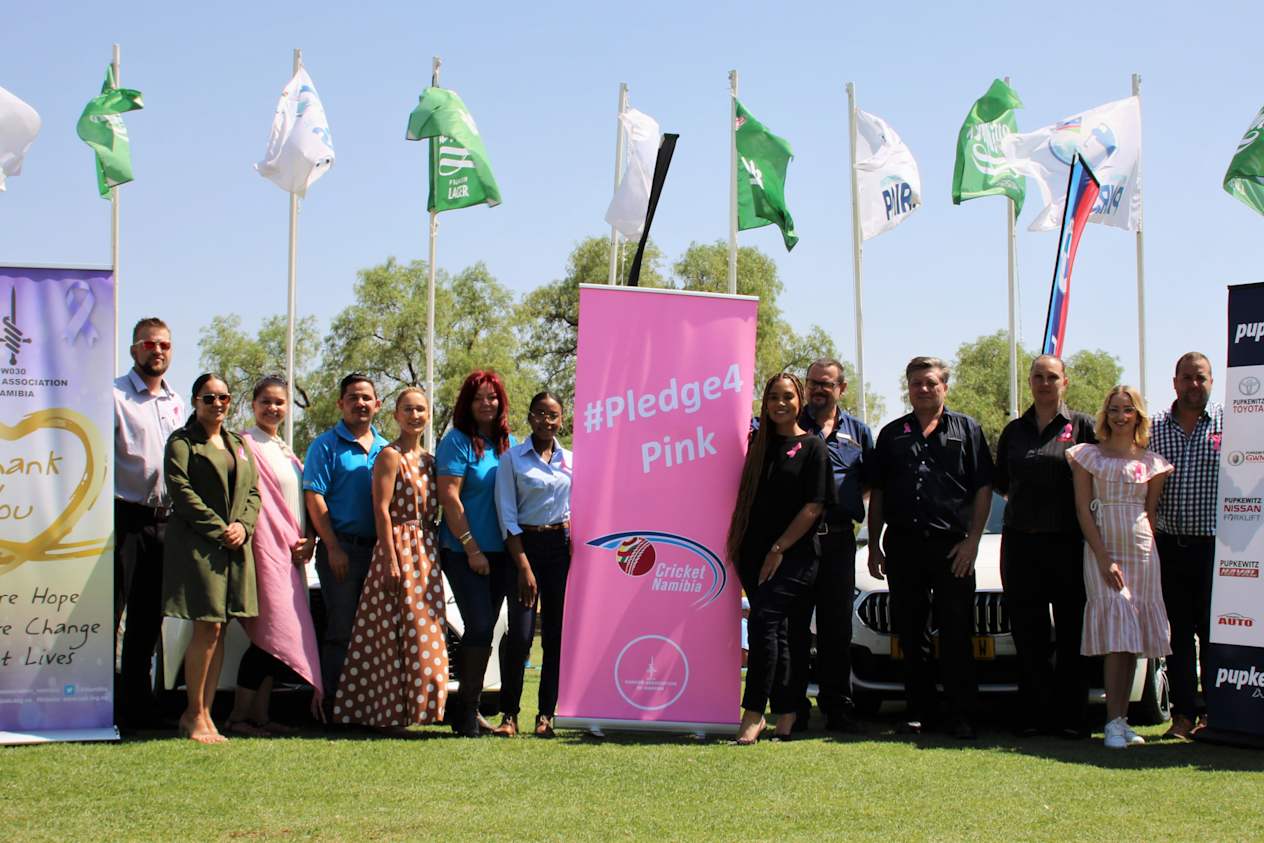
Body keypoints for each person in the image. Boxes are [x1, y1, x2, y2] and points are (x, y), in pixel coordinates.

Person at [867, 357, 993, 739]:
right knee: (911, 633)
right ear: (908, 388)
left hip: (953, 548)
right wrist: (873, 546)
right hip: (903, 546)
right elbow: (879, 494)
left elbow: (983, 488)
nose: (923, 389)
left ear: (944, 387)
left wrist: (973, 542)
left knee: (956, 631)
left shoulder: (968, 430)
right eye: (916, 383)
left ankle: (961, 714)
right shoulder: (892, 434)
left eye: (930, 383)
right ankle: (920, 713)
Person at [994, 355, 1097, 738]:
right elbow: (1002, 483)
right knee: (1028, 633)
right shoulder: (1014, 431)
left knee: (1072, 632)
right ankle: (1034, 715)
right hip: (1021, 544)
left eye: (1052, 377)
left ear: (1064, 382)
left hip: (1069, 544)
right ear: (1030, 381)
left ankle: (1071, 718)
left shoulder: (1083, 426)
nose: (1044, 383)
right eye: (1037, 376)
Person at [333, 388, 448, 732]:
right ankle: (383, 712)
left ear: (429, 415)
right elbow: (381, 509)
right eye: (408, 409)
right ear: (396, 415)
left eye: (421, 410)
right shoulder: (389, 455)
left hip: (426, 549)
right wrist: (390, 560)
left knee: (424, 631)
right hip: (397, 545)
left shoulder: (431, 460)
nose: (415, 416)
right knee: (387, 631)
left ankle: (419, 709)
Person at [729, 373, 834, 744]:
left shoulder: (813, 447)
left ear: (799, 401)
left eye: (787, 396)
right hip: (751, 554)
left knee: (763, 623)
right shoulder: (756, 446)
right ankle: (788, 712)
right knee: (780, 634)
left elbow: (814, 506)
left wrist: (778, 549)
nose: (780, 403)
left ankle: (754, 713)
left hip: (794, 555)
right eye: (773, 397)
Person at [1067, 385, 1173, 750]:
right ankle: (1111, 721)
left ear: (1138, 415)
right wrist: (1103, 556)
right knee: (1116, 631)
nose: (1120, 416)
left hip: (1141, 551)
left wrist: (1144, 549)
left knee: (1132, 638)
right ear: (1105, 414)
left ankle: (1122, 720)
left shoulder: (1152, 462)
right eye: (1114, 409)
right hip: (1102, 549)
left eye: (1127, 409)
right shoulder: (1087, 456)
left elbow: (1150, 512)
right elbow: (1083, 510)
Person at [163, 373, 261, 743]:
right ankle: (192, 714)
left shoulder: (238, 443)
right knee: (205, 627)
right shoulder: (182, 442)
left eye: (224, 397)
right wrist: (220, 529)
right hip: (200, 546)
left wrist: (243, 527)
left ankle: (206, 713)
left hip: (235, 546)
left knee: (220, 628)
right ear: (195, 401)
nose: (217, 404)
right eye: (209, 398)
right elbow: (181, 491)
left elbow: (253, 492)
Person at [226, 376, 322, 737]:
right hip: (264, 554)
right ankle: (238, 716)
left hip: (291, 555)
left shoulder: (284, 449)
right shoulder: (244, 445)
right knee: (269, 635)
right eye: (266, 401)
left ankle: (260, 715)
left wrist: (310, 539)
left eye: (280, 402)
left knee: (272, 639)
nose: (273, 408)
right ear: (253, 404)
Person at [791, 358, 872, 733]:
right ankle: (794, 709)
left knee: (836, 629)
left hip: (839, 541)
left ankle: (837, 707)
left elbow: (868, 484)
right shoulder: (789, 424)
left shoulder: (858, 432)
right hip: (797, 541)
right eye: (813, 383)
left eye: (826, 383)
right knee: (794, 627)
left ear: (842, 388)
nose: (818, 389)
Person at [113, 317, 185, 730]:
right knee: (113, 614)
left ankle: (138, 708)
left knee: (147, 620)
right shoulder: (114, 396)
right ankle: (103, 704)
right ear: (134, 350)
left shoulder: (176, 401)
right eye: (149, 344)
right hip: (123, 518)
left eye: (164, 345)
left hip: (165, 522)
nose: (158, 351)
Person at [436, 371, 517, 737]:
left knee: (486, 631)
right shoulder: (457, 442)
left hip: (501, 553)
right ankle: (465, 713)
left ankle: (472, 711)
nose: (487, 403)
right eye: (478, 398)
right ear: (467, 404)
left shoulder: (507, 443)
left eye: (492, 397)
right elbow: (449, 497)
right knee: (480, 625)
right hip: (464, 551)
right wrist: (471, 547)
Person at [303, 374, 388, 711]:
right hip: (341, 550)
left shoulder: (387, 449)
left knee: (375, 632)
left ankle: (368, 706)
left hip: (379, 552)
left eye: (366, 398)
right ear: (341, 403)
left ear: (377, 404)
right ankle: (333, 706)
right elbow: (314, 497)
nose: (360, 403)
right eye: (353, 397)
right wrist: (333, 547)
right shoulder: (325, 445)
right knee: (341, 629)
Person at [1149, 352, 1221, 740]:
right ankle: (1182, 715)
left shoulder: (1232, 424)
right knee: (1175, 636)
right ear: (1175, 382)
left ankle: (1214, 713)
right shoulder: (1154, 428)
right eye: (1188, 378)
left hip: (1217, 551)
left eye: (1201, 377)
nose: (1195, 384)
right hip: (1169, 547)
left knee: (1213, 636)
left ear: (1212, 381)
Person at [495, 391, 573, 738]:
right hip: (523, 548)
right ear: (529, 417)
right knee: (522, 636)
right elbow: (507, 516)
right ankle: (509, 715)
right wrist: (523, 566)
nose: (546, 420)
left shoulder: (571, 461)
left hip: (560, 549)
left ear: (561, 420)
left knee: (555, 636)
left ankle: (545, 716)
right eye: (540, 413)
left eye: (553, 415)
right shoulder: (512, 459)